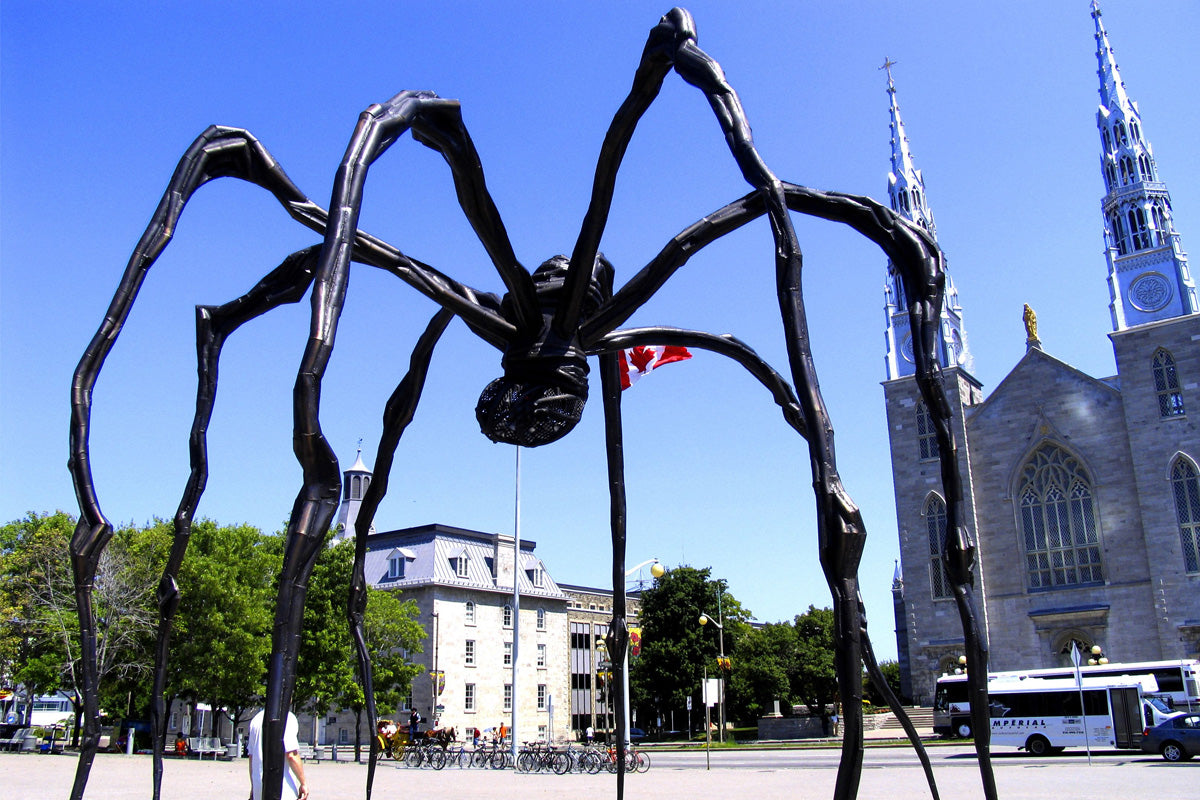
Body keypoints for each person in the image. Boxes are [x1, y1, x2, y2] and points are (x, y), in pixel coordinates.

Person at [248, 709, 308, 800]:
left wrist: (254, 786)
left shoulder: (256, 719)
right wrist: (303, 783)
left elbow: (252, 758)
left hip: (259, 786)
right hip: (284, 788)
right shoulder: (287, 718)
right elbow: (291, 754)